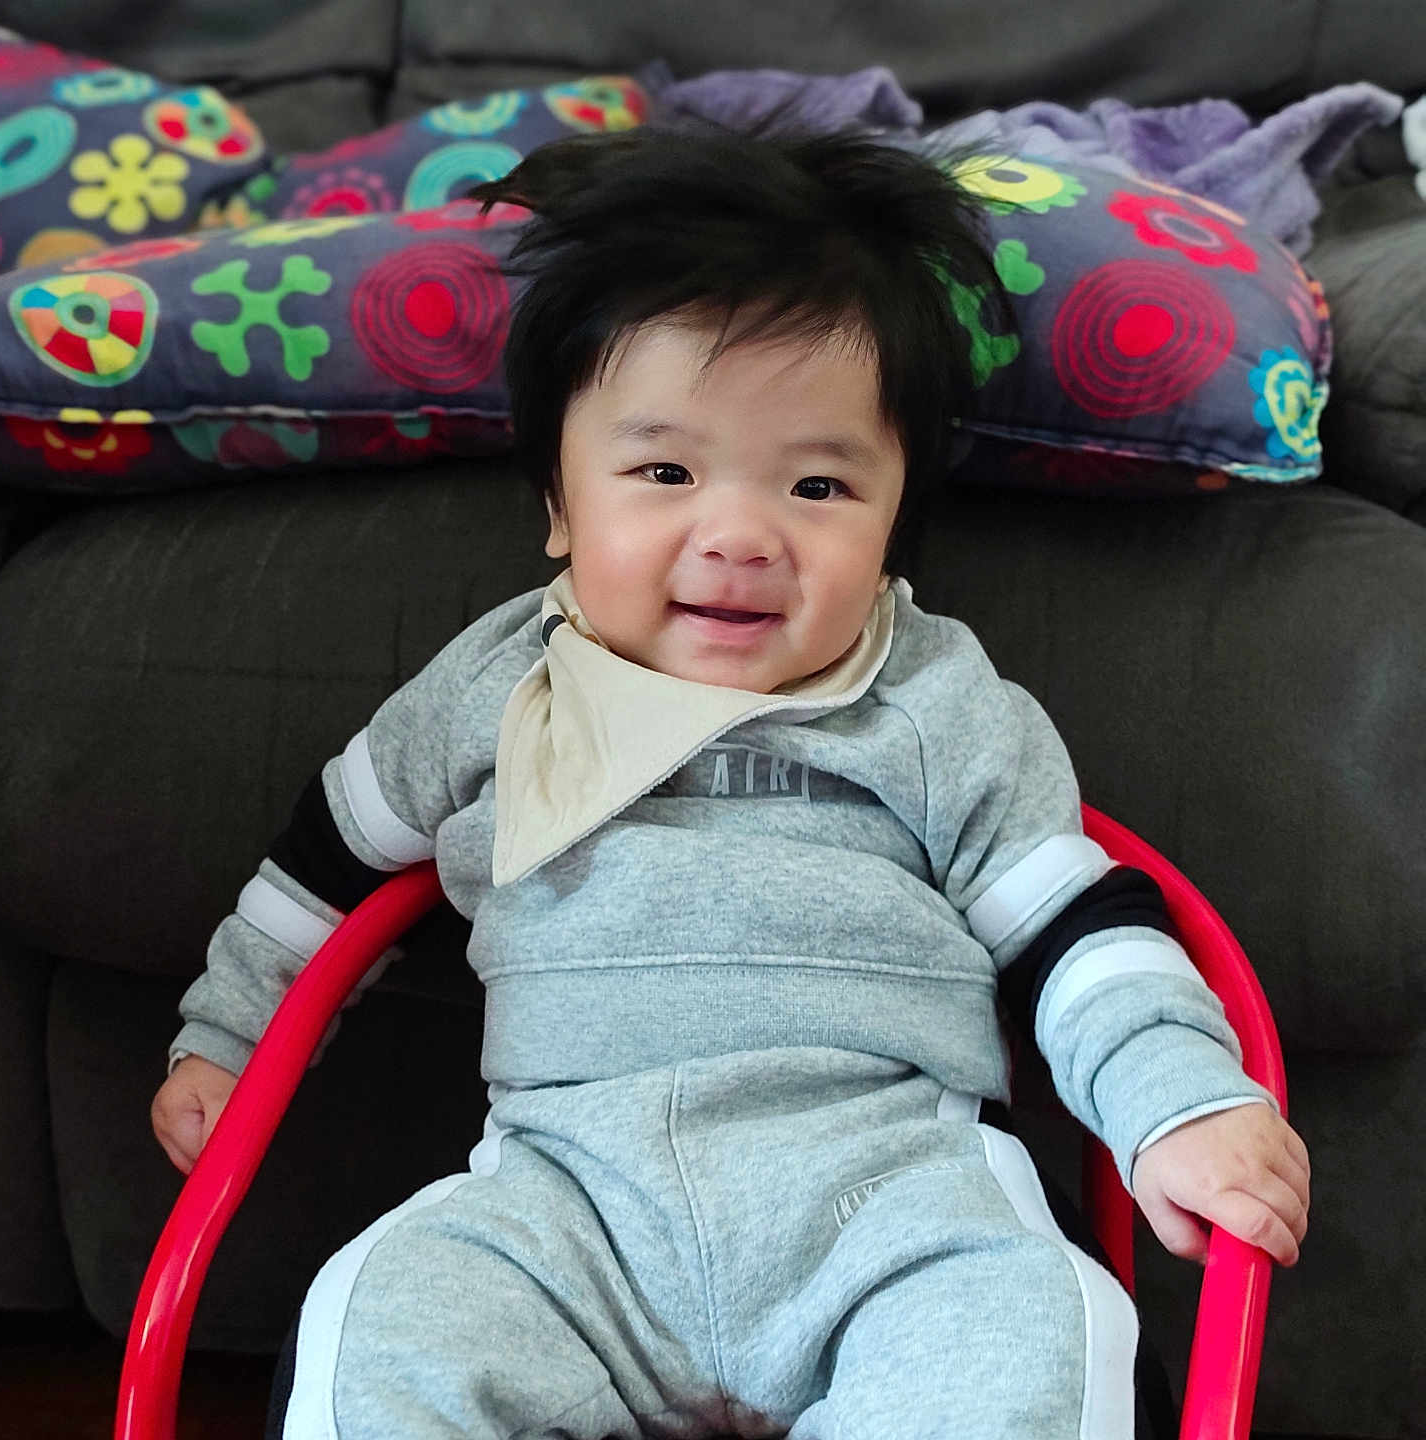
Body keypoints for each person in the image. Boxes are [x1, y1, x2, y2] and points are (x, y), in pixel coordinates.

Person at [151, 126, 1310, 1439]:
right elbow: (328, 860)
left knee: (1029, 1333)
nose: (742, 536)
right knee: (386, 1325)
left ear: (893, 524)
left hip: (891, 1189)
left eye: (818, 484)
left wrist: (1179, 1102)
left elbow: (1078, 926)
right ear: (559, 506)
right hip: (567, 1201)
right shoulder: (494, 689)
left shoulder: (934, 700)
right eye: (665, 472)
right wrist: (227, 1037)